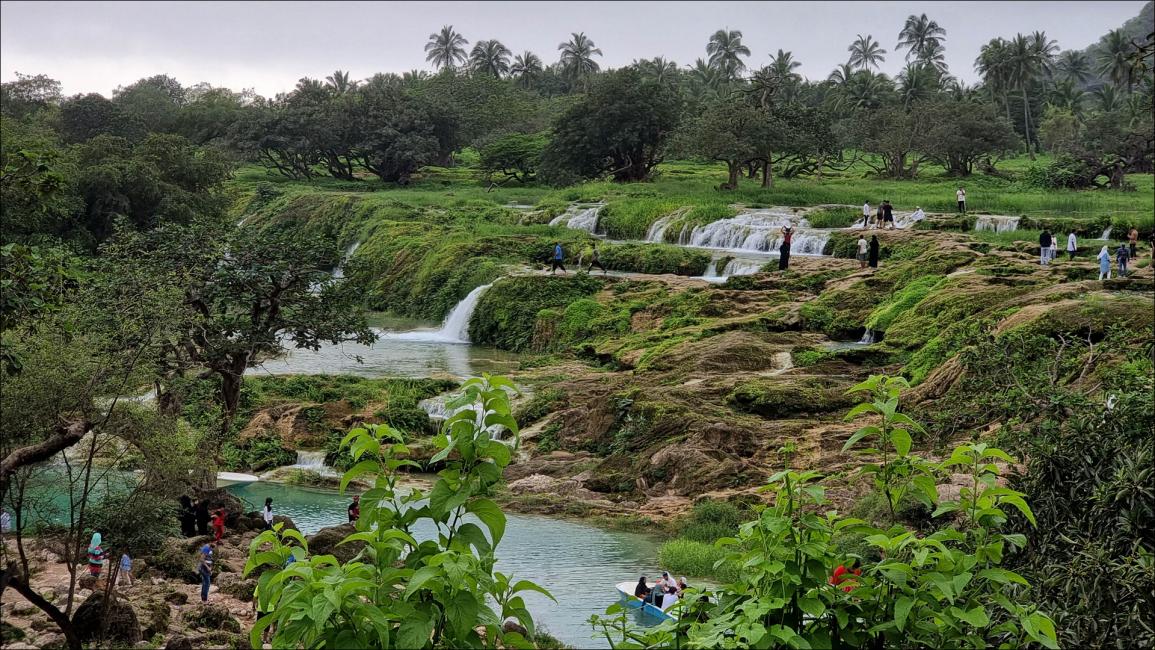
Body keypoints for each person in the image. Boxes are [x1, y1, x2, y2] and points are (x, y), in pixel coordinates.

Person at [253, 579, 275, 644]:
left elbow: (254, 597)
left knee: (258, 624)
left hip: (261, 608)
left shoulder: (259, 586)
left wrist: (253, 606)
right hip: (270, 609)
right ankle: (264, 639)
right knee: (267, 625)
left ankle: (257, 639)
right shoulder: (273, 586)